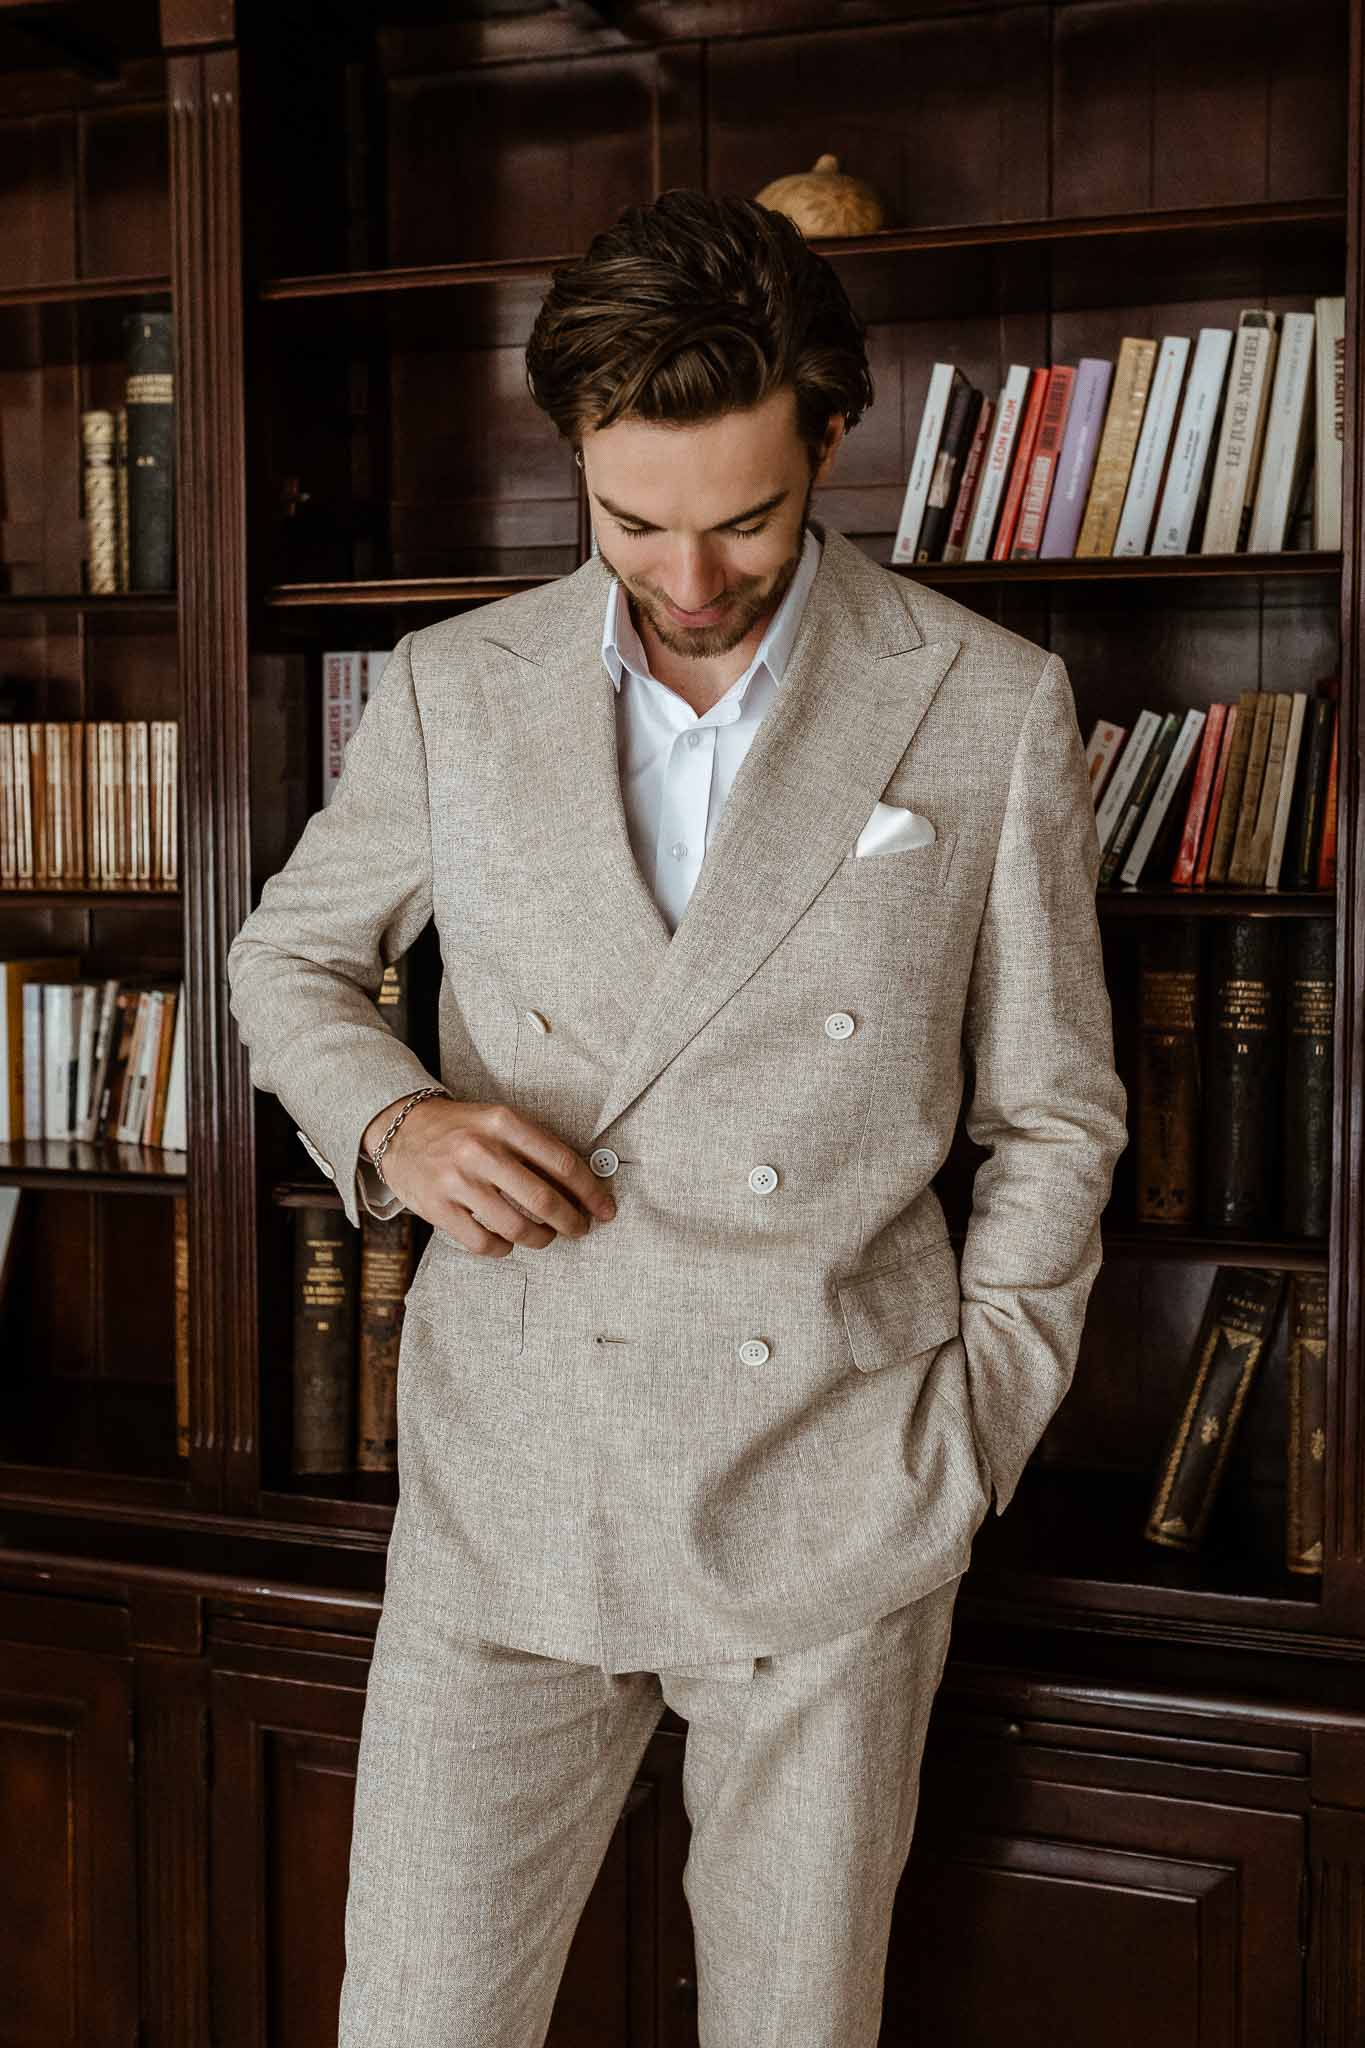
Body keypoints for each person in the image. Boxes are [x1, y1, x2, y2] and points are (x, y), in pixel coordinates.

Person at [227, 188, 1128, 2048]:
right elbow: (283, 966)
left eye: (746, 518)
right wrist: (396, 1125)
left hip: (834, 1488)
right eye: (634, 522)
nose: (691, 575)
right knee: (416, 2018)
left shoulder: (981, 700)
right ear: (572, 455)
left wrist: (967, 1436)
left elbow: (1052, 1114)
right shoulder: (453, 688)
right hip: (512, 1485)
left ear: (827, 434)